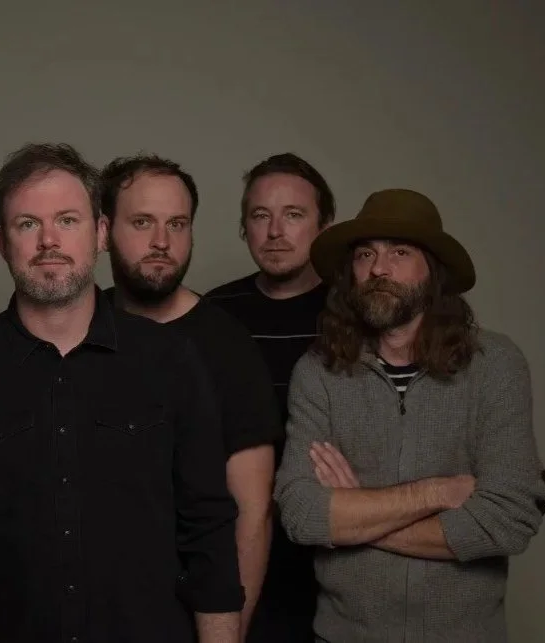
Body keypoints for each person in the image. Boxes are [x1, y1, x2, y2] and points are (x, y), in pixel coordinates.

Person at [0, 143, 243, 643]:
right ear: (1, 242)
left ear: (100, 232)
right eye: (26, 225)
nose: (47, 241)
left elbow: (208, 530)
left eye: (66, 219)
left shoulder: (171, 362)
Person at [273, 188, 545, 642]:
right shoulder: (319, 371)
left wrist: (356, 515)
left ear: (433, 272)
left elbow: (508, 519)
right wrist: (438, 491)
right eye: (366, 255)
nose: (379, 269)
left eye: (400, 252)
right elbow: (302, 515)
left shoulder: (495, 365)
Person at [100, 153, 282, 638]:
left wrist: (229, 633)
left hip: (187, 618)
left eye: (177, 224)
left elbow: (252, 512)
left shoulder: (226, 346)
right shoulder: (80, 329)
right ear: (103, 232)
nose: (162, 242)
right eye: (143, 222)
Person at [205, 153, 336, 641]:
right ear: (244, 228)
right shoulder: (212, 313)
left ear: (324, 227)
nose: (275, 231)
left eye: (294, 215)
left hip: (332, 552)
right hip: (233, 543)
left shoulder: (355, 313)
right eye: (260, 216)